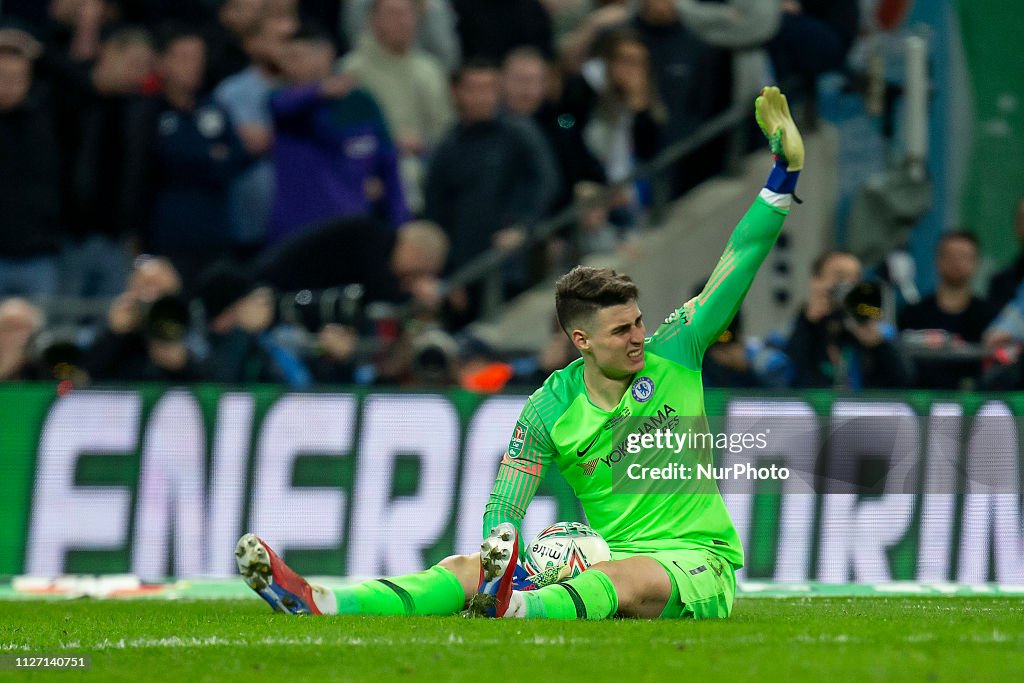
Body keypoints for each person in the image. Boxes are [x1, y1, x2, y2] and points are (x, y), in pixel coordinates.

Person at [234, 86, 803, 621]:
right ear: (580, 341)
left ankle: (516, 609)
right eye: (619, 331)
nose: (636, 338)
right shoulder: (549, 406)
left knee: (628, 580)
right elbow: (506, 500)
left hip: (697, 562)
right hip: (605, 558)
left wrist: (781, 177)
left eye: (637, 323)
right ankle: (323, 600)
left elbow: (740, 259)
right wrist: (501, 556)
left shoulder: (675, 351)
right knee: (463, 568)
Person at [269, 23, 409, 242]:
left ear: (325, 54)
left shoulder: (362, 103)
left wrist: (401, 225)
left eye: (296, 57)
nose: (288, 66)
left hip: (353, 230)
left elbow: (389, 166)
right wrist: (320, 91)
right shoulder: (284, 102)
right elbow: (283, 105)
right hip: (296, 235)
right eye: (286, 59)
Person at [338, 0, 455, 213]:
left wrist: (425, 142)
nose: (403, 21)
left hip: (428, 163)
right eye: (393, 14)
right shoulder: (352, 71)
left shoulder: (430, 69)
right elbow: (347, 133)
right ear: (374, 21)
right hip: (372, 167)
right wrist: (390, 143)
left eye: (408, 14)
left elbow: (445, 129)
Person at [785, 249, 914, 389]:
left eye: (855, 279)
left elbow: (905, 380)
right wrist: (807, 322)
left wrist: (878, 344)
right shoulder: (800, 326)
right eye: (840, 278)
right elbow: (786, 376)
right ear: (816, 282)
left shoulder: (875, 329)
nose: (848, 287)